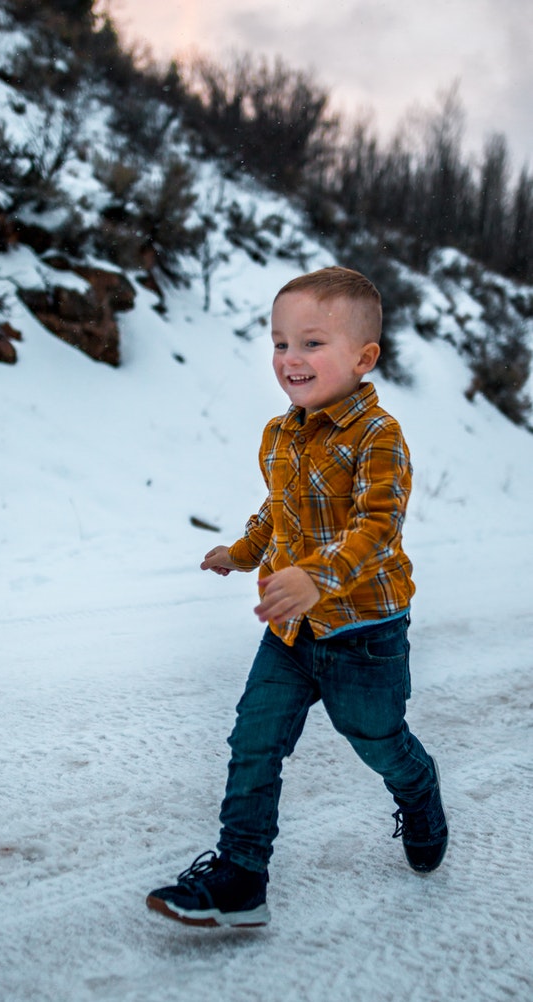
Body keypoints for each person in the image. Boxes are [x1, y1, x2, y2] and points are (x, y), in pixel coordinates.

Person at [146, 266, 448, 928]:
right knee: (254, 739)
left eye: (312, 343)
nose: (290, 359)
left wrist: (318, 576)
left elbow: (377, 526)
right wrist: (242, 552)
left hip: (362, 630)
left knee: (374, 737)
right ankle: (240, 877)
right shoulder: (280, 434)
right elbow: (276, 511)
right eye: (280, 342)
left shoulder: (379, 437)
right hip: (289, 634)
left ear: (363, 357)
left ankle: (417, 787)